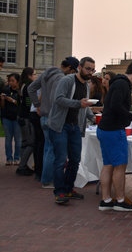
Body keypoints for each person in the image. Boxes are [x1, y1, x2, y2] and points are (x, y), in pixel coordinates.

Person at [97, 61, 132, 212]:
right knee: (119, 166)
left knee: (108, 165)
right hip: (113, 130)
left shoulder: (117, 83)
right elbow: (115, 105)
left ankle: (106, 200)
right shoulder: (123, 84)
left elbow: (112, 104)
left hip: (105, 128)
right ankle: (120, 200)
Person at [47, 57, 95, 204]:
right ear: (79, 67)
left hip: (75, 127)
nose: (90, 72)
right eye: (88, 69)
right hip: (60, 125)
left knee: (75, 160)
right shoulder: (67, 81)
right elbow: (58, 99)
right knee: (61, 160)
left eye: (92, 69)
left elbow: (84, 106)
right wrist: (78, 104)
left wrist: (94, 118)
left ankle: (68, 189)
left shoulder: (86, 86)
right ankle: (59, 192)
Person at [28, 56, 79, 188]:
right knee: (52, 150)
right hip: (52, 118)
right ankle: (47, 180)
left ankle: (43, 176)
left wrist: (37, 105)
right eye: (73, 71)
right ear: (69, 68)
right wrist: (51, 113)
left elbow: (31, 88)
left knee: (47, 148)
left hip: (43, 115)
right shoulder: (61, 78)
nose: (73, 74)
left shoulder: (46, 73)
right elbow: (55, 99)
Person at [15, 67, 38, 176]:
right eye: (34, 74)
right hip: (26, 117)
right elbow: (30, 104)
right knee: (31, 143)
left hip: (21, 116)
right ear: (29, 76)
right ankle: (22, 165)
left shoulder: (23, 85)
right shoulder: (29, 87)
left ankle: (22, 165)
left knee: (24, 143)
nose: (36, 76)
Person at [1, 73, 21, 166]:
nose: (11, 83)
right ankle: (9, 158)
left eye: (13, 81)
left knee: (18, 139)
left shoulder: (20, 91)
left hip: (17, 118)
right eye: (9, 81)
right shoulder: (6, 91)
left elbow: (21, 105)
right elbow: (2, 106)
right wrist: (3, 99)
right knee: (8, 139)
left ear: (17, 81)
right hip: (7, 117)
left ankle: (17, 157)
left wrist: (12, 100)